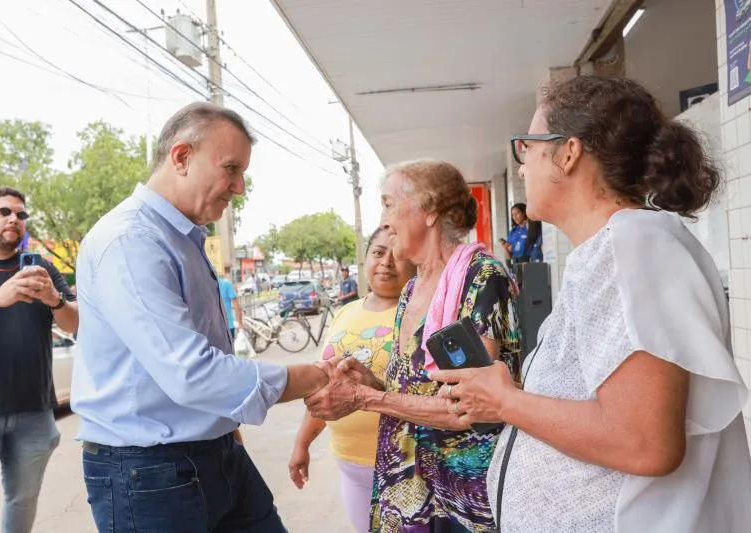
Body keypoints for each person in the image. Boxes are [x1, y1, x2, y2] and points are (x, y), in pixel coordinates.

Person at [431, 75, 751, 532]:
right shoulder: (617, 248)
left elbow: (644, 443)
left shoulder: (630, 247)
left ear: (568, 152)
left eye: (527, 148)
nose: (521, 169)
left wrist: (505, 402)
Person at [72, 102, 331, 533]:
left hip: (214, 451)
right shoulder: (132, 240)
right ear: (181, 157)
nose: (239, 186)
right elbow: (189, 372)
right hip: (148, 472)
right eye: (231, 168)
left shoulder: (181, 237)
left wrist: (228, 427)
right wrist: (311, 378)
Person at [306, 160, 521, 533]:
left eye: (389, 203)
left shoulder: (482, 278)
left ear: (429, 211)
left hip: (462, 496)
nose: (384, 220)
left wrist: (363, 398)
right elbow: (413, 390)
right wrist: (371, 383)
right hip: (407, 481)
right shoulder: (411, 289)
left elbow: (465, 407)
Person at [0, 187, 78, 533]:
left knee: (22, 508)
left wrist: (54, 299)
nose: (14, 219)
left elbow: (76, 323)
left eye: (21, 215)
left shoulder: (44, 268)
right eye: (4, 211)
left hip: (33, 413)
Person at [289, 227, 416, 533]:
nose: (386, 261)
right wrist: (301, 443)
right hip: (351, 466)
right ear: (365, 260)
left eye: (398, 255)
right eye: (378, 252)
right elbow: (324, 386)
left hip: (404, 467)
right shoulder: (345, 313)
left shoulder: (417, 313)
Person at [218, 271, 243, 339]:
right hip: (226, 327)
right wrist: (240, 324)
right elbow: (236, 305)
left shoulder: (225, 284)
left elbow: (236, 305)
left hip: (224, 327)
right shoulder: (226, 284)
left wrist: (240, 324)